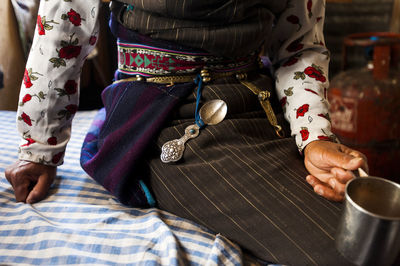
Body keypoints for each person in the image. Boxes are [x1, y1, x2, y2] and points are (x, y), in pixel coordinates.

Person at [5, 0, 368, 264]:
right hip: (165, 113)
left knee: (372, 223)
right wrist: (39, 147)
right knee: (356, 248)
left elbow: (299, 47)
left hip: (261, 101)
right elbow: (63, 31)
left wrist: (314, 136)